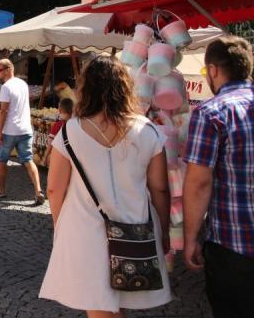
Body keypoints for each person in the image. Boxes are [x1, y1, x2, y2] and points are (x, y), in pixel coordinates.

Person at [39, 56, 172, 317]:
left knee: (100, 308)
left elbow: (54, 189)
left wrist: (59, 226)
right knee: (116, 304)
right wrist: (164, 230)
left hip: (85, 231)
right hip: (135, 228)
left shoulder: (69, 132)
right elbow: (160, 189)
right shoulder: (148, 131)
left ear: (86, 88)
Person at [183, 36, 254, 317]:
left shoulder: (210, 113)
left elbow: (199, 183)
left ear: (213, 70)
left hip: (235, 247)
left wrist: (190, 238)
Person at [0, 58, 43, 203]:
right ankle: (38, 190)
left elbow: (4, 111)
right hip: (25, 128)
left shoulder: (6, 87)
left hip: (10, 130)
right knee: (28, 160)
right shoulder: (22, 84)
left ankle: (1, 190)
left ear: (8, 69)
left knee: (2, 160)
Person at [43, 98, 74, 167]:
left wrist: (45, 157)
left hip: (60, 157)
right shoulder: (77, 124)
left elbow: (50, 143)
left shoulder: (57, 125)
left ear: (60, 110)